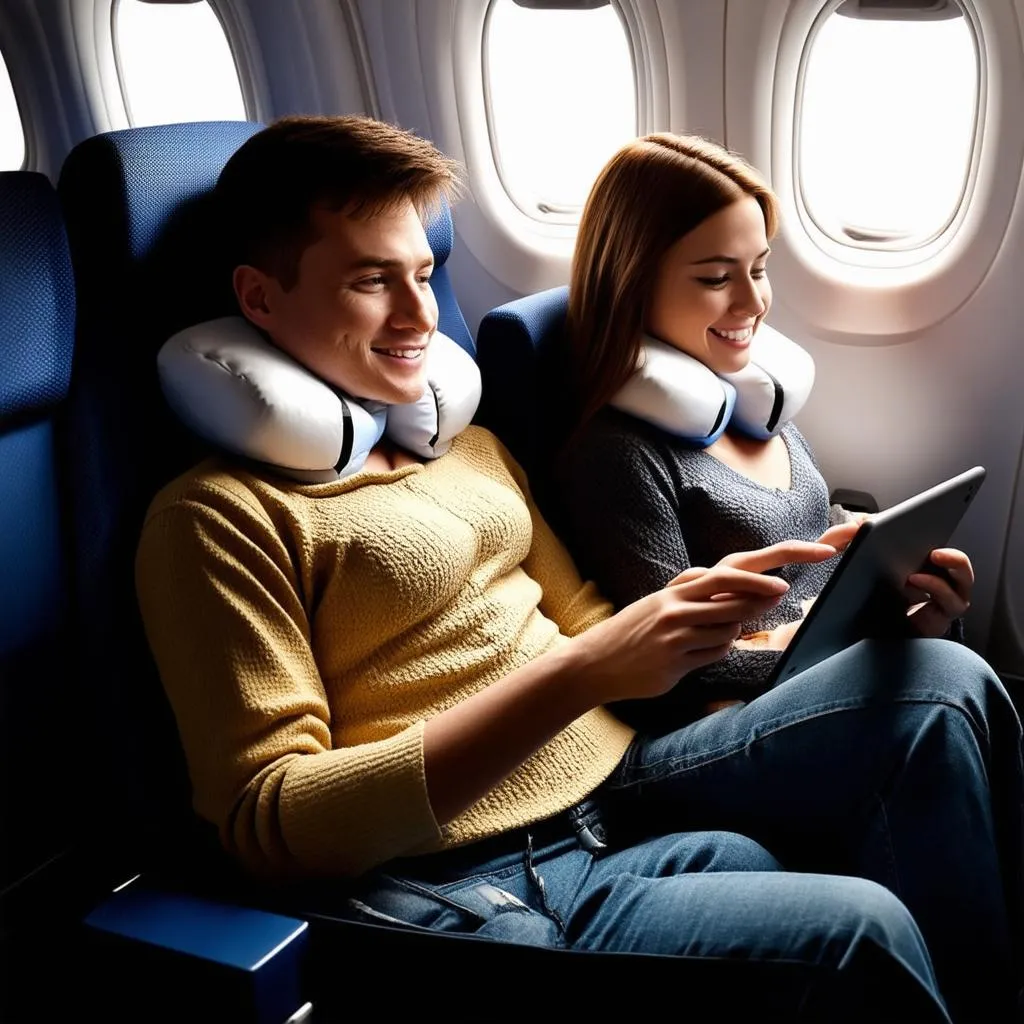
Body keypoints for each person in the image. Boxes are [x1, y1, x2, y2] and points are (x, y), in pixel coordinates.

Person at [134, 116, 1021, 1023]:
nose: (419, 316)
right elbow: (271, 822)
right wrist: (585, 671)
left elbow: (595, 626)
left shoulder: (466, 447)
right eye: (370, 281)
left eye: (424, 275)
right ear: (261, 297)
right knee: (858, 931)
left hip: (619, 782)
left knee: (944, 677)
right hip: (461, 868)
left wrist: (708, 613)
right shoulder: (216, 518)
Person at [555, 131, 1024, 1020]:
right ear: (634, 278)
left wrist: (902, 608)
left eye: (760, 268)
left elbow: (808, 586)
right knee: (939, 688)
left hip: (780, 698)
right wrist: (849, 638)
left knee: (960, 673)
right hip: (670, 746)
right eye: (713, 275)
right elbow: (669, 666)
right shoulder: (616, 453)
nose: (752, 301)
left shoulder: (758, 411)